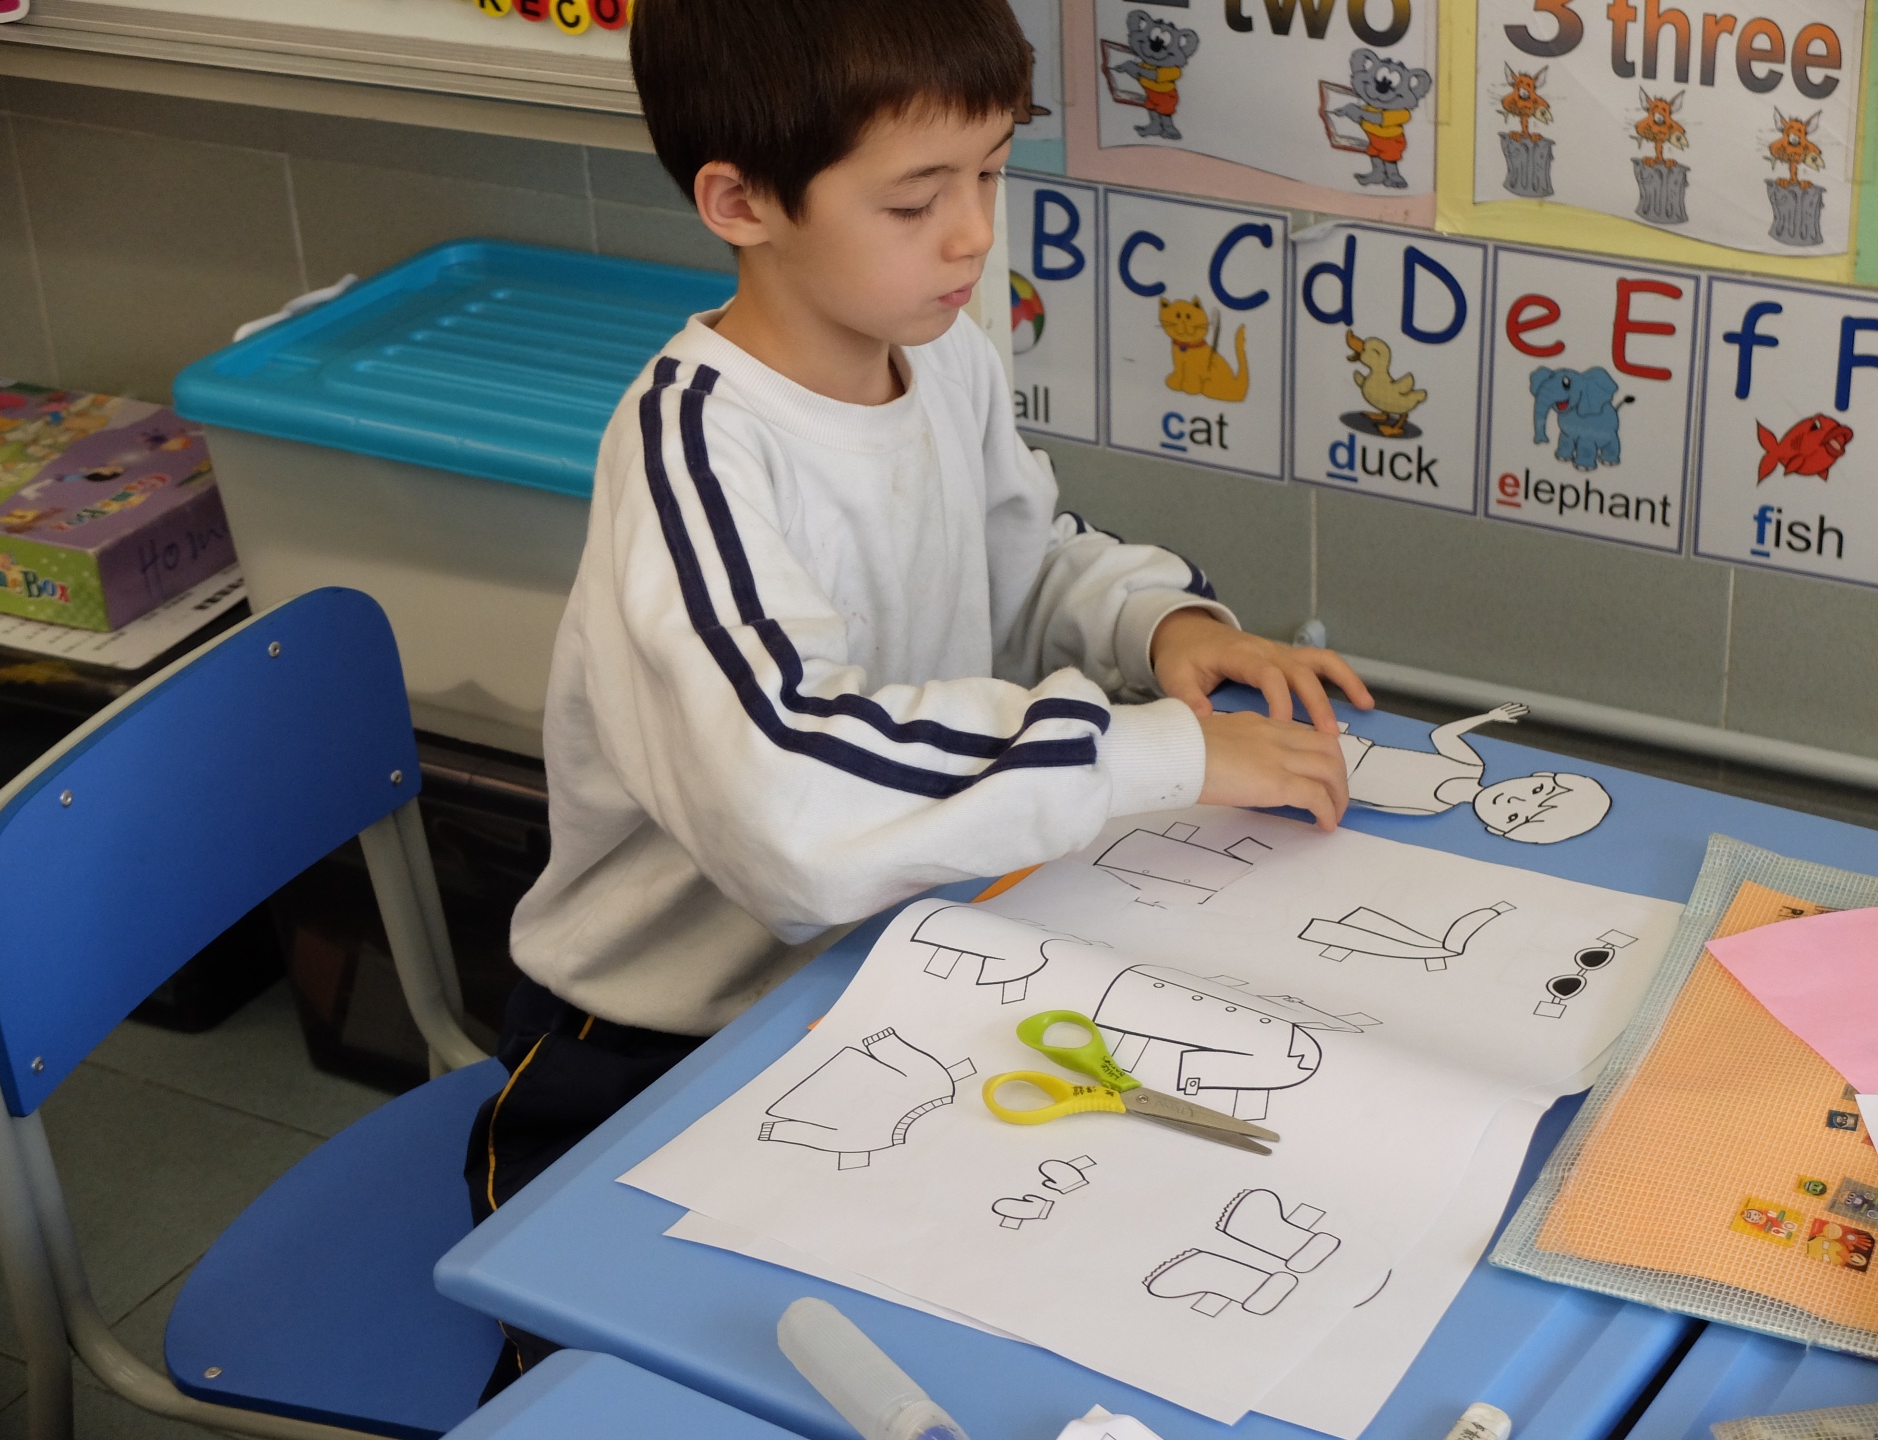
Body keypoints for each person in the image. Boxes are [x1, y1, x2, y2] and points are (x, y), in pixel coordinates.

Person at [462, 0, 1371, 1395]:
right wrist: (1160, 755)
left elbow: (1019, 563)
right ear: (740, 202)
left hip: (883, 990)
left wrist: (1160, 625)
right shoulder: (695, 456)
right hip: (655, 1056)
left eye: (991, 173)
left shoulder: (937, 353)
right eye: (914, 200)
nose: (971, 237)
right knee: (655, 1391)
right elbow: (794, 806)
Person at [1339, 703, 1612, 843]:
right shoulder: (1470, 766)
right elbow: (1442, 734)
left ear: (1497, 829)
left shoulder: (1431, 811)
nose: (1514, 801)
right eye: (1536, 791)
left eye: (1515, 817)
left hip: (1332, 781)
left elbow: (1367, 805)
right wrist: (1489, 716)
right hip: (1346, 747)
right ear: (1539, 775)